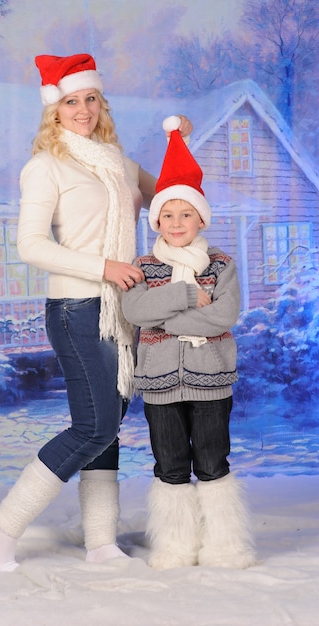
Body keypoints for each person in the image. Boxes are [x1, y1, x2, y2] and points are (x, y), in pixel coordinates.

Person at [0, 54, 193, 572]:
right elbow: (30, 245)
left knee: (109, 425)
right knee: (95, 426)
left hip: (123, 309)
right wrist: (104, 266)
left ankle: (101, 543)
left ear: (102, 103)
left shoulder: (119, 163)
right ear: (54, 111)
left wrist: (180, 138)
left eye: (90, 99)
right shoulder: (45, 166)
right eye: (70, 101)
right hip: (78, 308)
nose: (82, 110)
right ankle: (4, 524)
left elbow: (170, 193)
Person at [122, 115, 257, 571]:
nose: (176, 222)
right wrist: (182, 296)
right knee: (170, 463)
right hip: (160, 381)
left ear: (201, 217)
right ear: (156, 219)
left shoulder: (220, 264)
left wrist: (167, 317)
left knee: (213, 459)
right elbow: (135, 312)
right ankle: (176, 545)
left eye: (186, 214)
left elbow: (224, 315)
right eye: (167, 214)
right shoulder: (143, 265)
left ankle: (225, 544)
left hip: (211, 379)